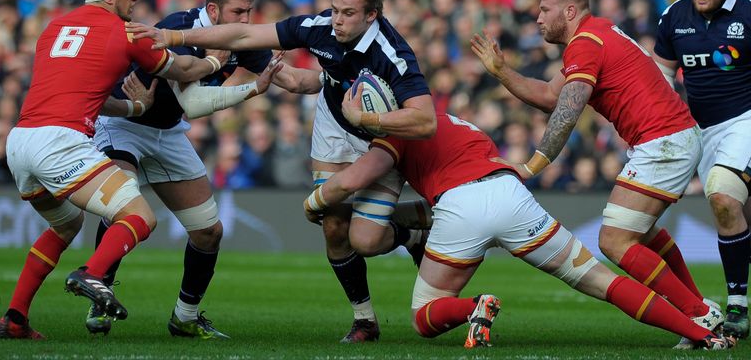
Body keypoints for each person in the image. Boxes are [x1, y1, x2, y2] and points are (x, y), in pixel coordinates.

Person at [128, 0, 437, 342]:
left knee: (367, 241)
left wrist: (366, 117)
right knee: (334, 225)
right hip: (334, 128)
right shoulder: (319, 27)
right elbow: (245, 36)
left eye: (348, 14)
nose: (337, 20)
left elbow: (425, 120)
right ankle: (365, 321)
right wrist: (174, 35)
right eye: (335, 9)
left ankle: (409, 235)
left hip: (382, 137)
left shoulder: (394, 55)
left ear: (372, 15)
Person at [303, 109, 734, 350]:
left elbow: (355, 181)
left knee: (423, 316)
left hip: (461, 208)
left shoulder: (394, 135)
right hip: (510, 194)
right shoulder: (453, 119)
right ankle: (700, 332)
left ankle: (475, 306)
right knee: (602, 281)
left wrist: (314, 203)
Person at [470, 0, 724, 349]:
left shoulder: (586, 44)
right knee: (642, 234)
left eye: (545, 10)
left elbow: (567, 114)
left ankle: (696, 313)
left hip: (664, 140)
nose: (537, 18)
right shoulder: (596, 33)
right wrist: (502, 72)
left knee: (615, 240)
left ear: (570, 11)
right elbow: (548, 96)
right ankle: (700, 308)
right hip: (669, 137)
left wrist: (531, 166)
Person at [0, 0, 233, 339]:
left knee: (66, 224)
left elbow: (87, 92)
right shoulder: (128, 33)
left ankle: (15, 319)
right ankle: (91, 274)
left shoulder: (52, 29)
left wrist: (134, 108)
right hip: (61, 142)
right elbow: (183, 72)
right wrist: (213, 61)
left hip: (21, 141)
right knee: (140, 217)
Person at [87, 0, 293, 339]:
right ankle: (98, 292)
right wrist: (250, 89)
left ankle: (185, 316)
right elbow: (194, 102)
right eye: (237, 13)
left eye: (248, 13)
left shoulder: (242, 39)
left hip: (168, 132)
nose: (245, 21)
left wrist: (332, 77)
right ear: (213, 12)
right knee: (123, 206)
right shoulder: (177, 27)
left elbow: (292, 78)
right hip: (125, 124)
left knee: (209, 232)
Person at [653, 0, 751, 339]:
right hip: (700, 131)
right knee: (736, 215)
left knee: (722, 198)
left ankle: (737, 306)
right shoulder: (675, 15)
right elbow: (661, 73)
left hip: (744, 120)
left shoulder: (748, 14)